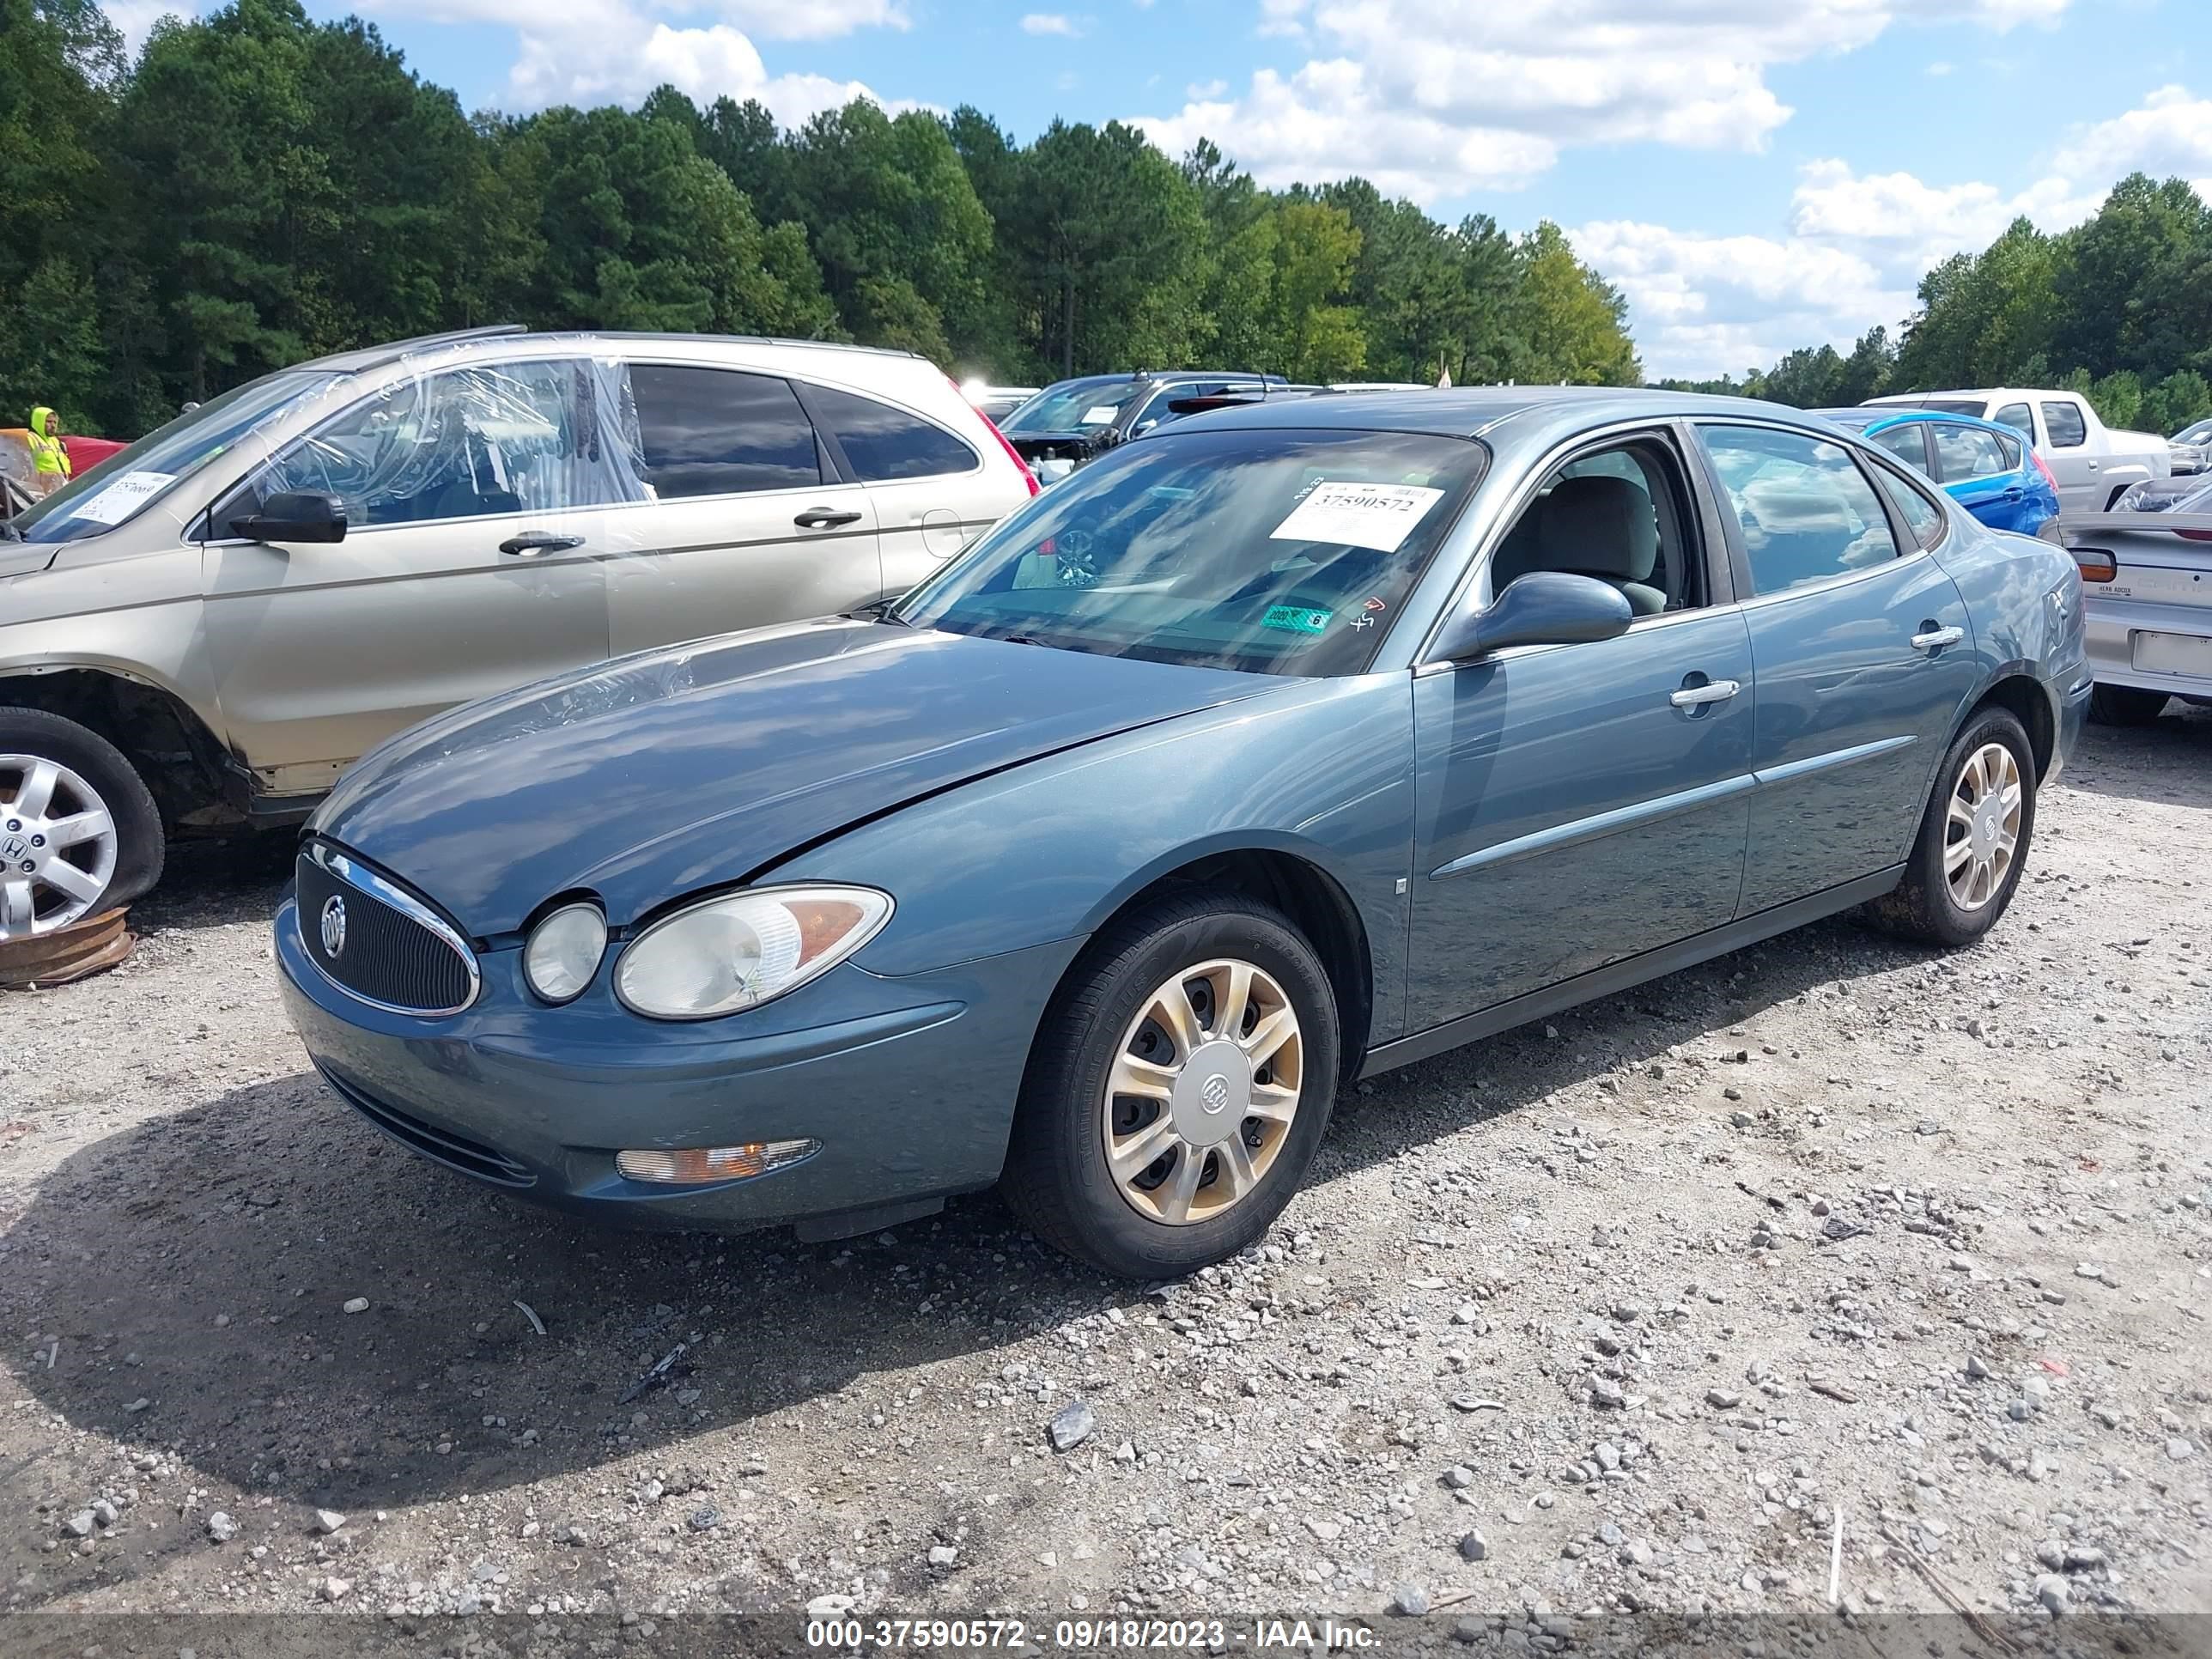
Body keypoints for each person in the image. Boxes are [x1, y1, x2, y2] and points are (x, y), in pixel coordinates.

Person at [27, 406, 72, 498]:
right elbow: (24, 467)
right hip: (41, 493)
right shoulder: (30, 439)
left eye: (55, 422)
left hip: (61, 489)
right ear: (39, 421)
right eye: (49, 421)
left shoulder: (57, 442)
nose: (53, 425)